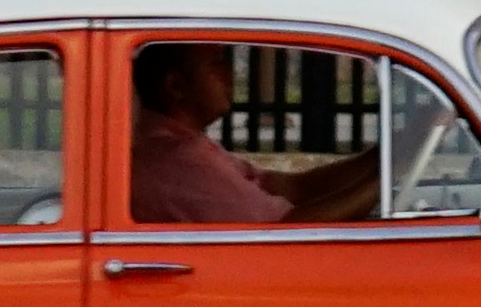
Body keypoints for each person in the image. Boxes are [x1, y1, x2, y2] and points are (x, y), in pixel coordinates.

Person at [125, 42, 380, 224]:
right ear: (176, 87)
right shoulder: (177, 159)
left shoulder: (175, 141)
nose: (230, 73)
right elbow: (286, 228)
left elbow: (289, 187)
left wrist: (380, 161)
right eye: (216, 62)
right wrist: (384, 186)